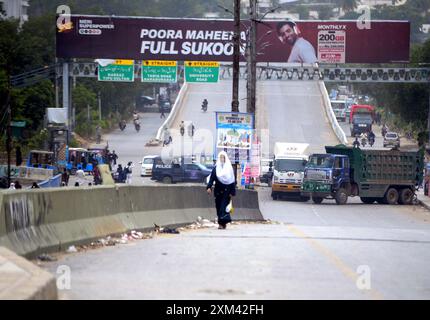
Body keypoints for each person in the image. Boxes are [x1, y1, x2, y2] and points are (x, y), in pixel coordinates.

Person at [206, 151, 236, 230]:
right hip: (218, 191)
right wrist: (209, 187)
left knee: (223, 207)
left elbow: (232, 181)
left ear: (225, 158)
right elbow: (212, 179)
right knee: (219, 207)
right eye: (220, 157)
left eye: (223, 157)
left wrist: (232, 192)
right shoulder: (216, 168)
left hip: (227, 191)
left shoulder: (229, 168)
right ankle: (223, 223)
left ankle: (221, 224)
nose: (222, 159)